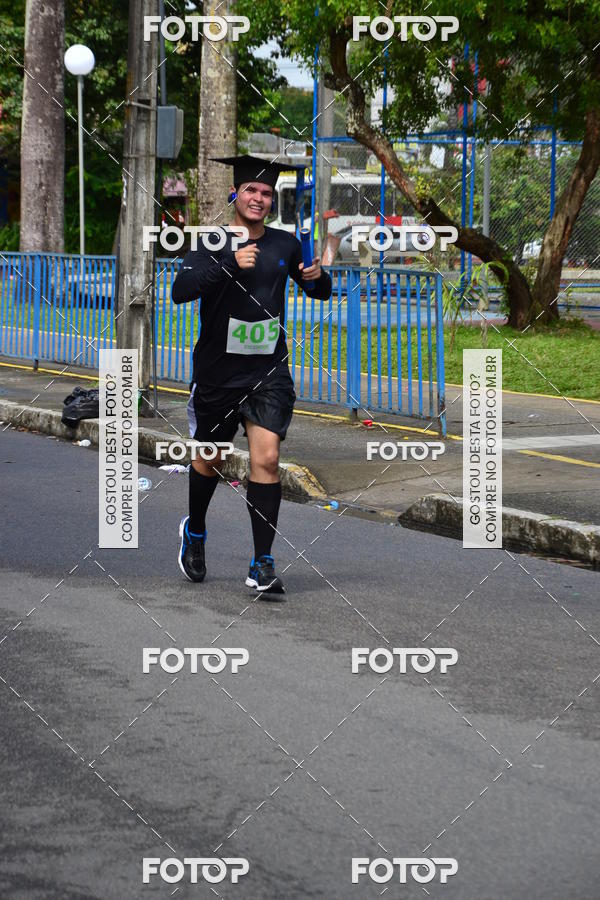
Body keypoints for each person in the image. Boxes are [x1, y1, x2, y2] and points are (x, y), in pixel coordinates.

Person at [171, 155, 332, 596]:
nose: (258, 198)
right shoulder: (212, 242)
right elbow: (180, 291)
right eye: (251, 191)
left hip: (268, 371)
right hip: (218, 373)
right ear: (235, 194)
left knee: (267, 459)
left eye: (265, 193)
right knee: (212, 458)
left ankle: (262, 563)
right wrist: (229, 262)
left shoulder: (285, 245)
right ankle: (195, 531)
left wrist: (319, 277)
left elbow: (318, 290)